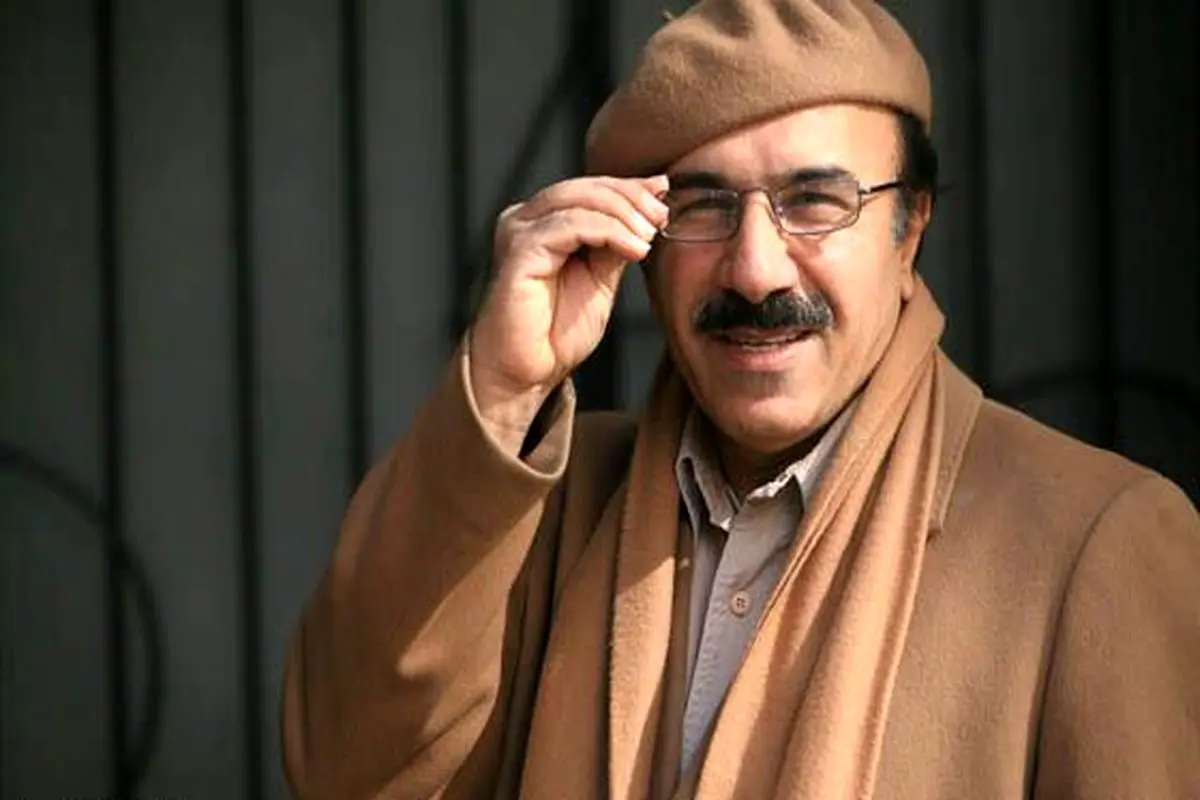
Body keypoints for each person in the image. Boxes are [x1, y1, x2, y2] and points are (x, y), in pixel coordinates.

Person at [280, 1, 1200, 797]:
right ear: (641, 250)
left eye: (815, 201)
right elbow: (345, 772)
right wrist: (501, 389)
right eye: (703, 208)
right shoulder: (545, 511)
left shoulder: (1095, 542)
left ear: (909, 229)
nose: (756, 271)